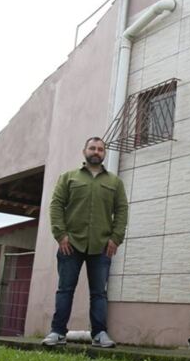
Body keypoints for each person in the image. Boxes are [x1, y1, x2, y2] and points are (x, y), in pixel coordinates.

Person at [42, 137, 128, 348]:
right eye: (92, 148)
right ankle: (57, 332)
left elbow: (122, 210)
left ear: (104, 153)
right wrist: (61, 235)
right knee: (65, 290)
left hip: (102, 246)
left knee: (99, 293)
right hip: (70, 244)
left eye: (100, 149)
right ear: (84, 151)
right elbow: (56, 206)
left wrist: (116, 238)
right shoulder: (68, 177)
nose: (96, 152)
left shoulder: (115, 182)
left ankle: (99, 334)